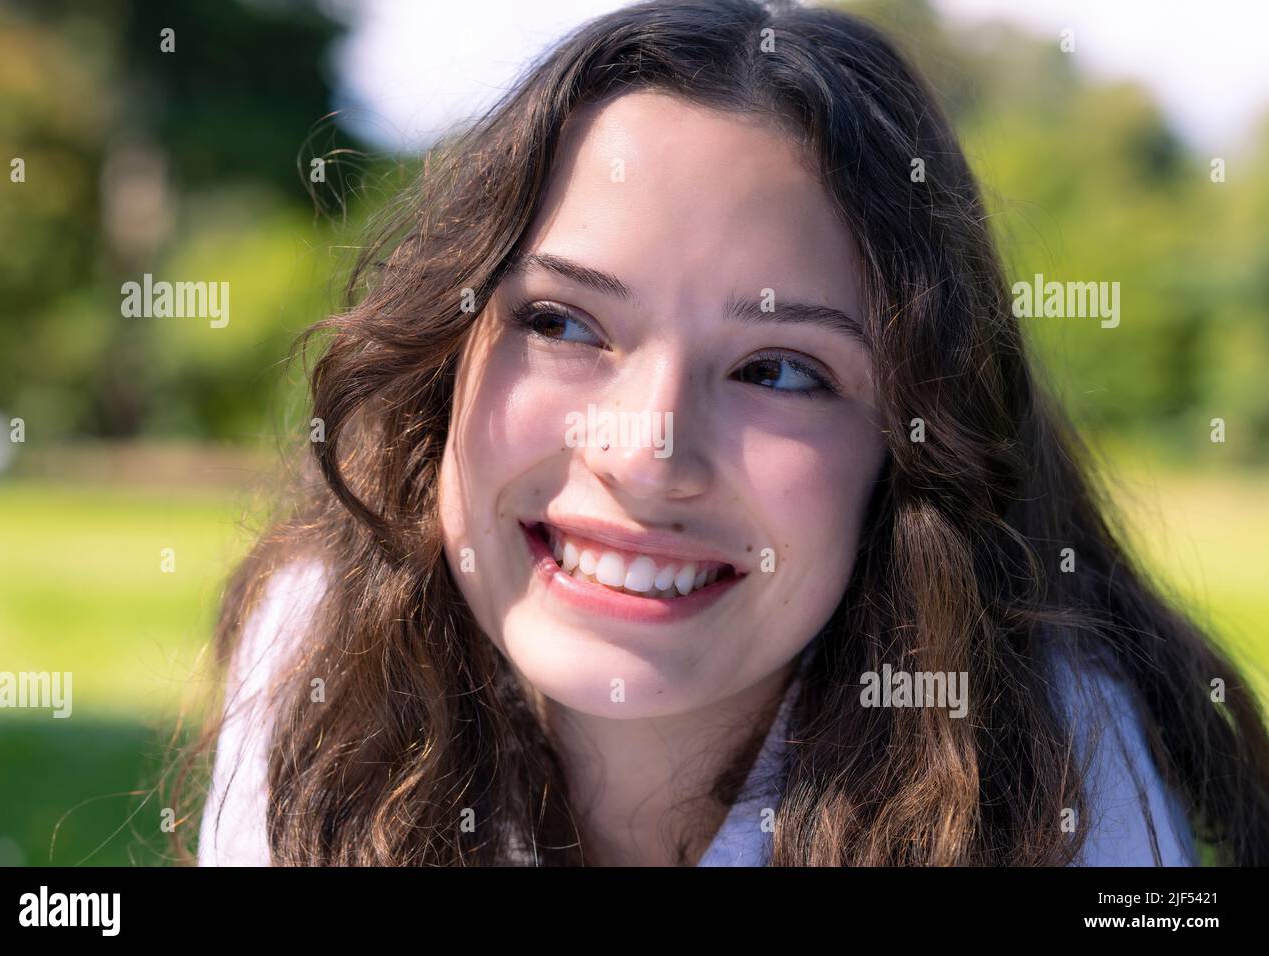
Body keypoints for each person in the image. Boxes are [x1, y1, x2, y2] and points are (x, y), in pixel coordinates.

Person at [187, 0, 1269, 866]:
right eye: (563, 321)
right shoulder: (321, 655)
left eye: (780, 370)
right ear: (443, 359)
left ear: (906, 456)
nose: (646, 450)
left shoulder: (1054, 769)